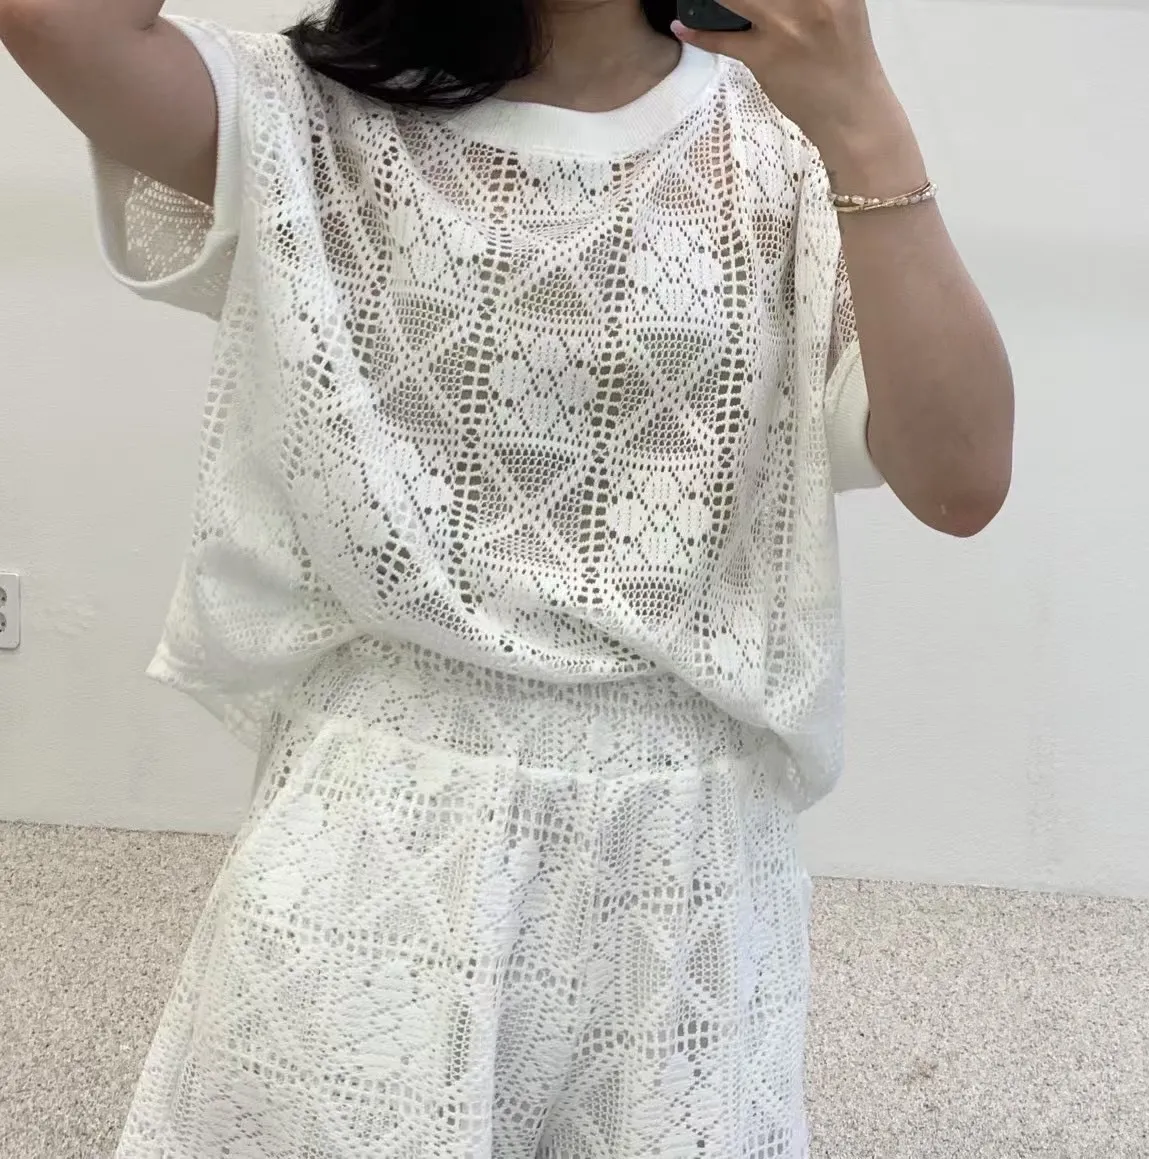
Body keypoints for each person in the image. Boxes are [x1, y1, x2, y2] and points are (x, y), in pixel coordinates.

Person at [1, 0, 1014, 1154]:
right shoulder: (304, 114)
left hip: (685, 861)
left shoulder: (784, 146)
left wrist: (864, 122)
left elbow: (961, 479)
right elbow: (54, 20)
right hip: (380, 837)